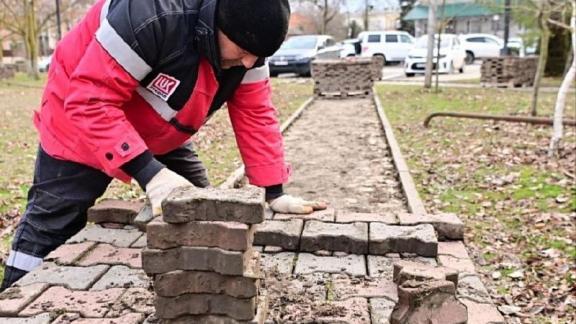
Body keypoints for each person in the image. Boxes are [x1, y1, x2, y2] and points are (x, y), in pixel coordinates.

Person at [1, 0, 326, 290]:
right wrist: (150, 173)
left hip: (159, 126)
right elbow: (89, 100)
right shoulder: (150, 14)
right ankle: (15, 297)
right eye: (242, 51)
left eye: (257, 56)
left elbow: (256, 115)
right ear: (216, 23)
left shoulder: (249, 50)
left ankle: (192, 287)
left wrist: (273, 191)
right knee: (53, 221)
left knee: (200, 208)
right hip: (79, 114)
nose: (248, 62)